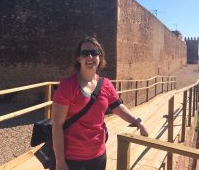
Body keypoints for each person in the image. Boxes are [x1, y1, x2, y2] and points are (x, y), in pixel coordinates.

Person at [51, 37, 148, 170]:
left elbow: (118, 107)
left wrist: (137, 122)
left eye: (94, 52)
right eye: (85, 53)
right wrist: (60, 161)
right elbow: (57, 125)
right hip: (71, 157)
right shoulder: (67, 86)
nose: (90, 56)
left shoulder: (106, 84)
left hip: (98, 155)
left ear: (100, 57)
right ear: (78, 58)